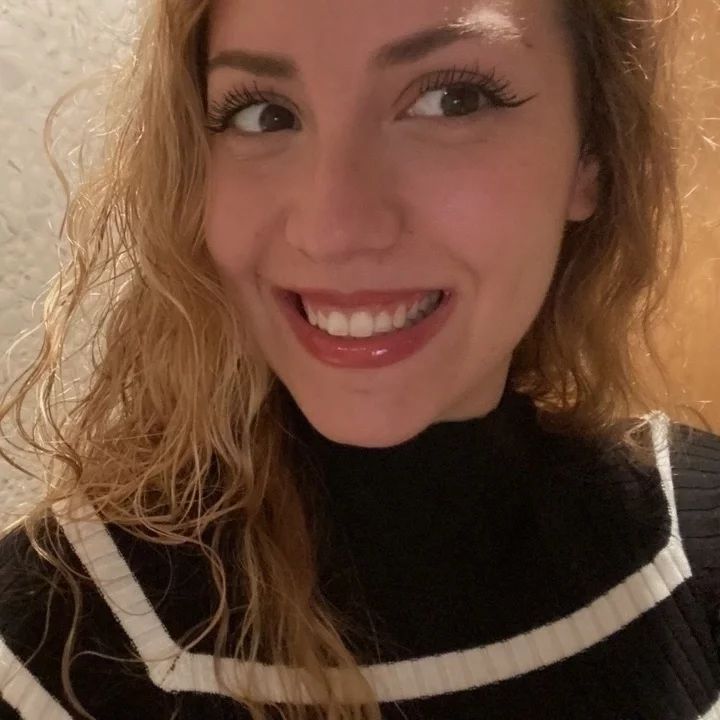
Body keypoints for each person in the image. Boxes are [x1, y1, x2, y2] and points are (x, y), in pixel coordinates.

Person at [0, 0, 718, 718]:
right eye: (263, 114)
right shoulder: (43, 646)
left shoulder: (702, 529)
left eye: (453, 99)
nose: (333, 229)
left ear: (590, 154)